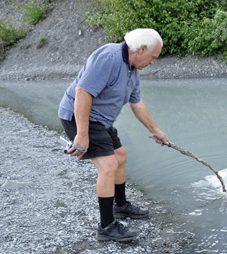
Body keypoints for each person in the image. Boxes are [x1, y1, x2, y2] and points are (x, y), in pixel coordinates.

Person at [58, 28, 169, 242]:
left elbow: (136, 103)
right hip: (80, 116)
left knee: (120, 156)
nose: (153, 62)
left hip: (101, 120)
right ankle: (107, 227)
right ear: (142, 49)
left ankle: (121, 206)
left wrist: (155, 130)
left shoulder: (132, 70)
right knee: (108, 165)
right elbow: (83, 92)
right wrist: (81, 134)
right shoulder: (108, 57)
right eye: (153, 57)